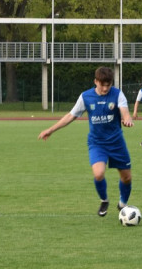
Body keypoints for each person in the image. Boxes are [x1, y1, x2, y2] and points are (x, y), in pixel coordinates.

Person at [38, 66, 134, 217]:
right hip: (97, 143)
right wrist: (51, 130)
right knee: (98, 173)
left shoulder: (117, 94)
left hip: (116, 143)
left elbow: (125, 112)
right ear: (95, 81)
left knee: (127, 177)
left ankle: (123, 203)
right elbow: (71, 116)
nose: (105, 88)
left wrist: (127, 119)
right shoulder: (86, 97)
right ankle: (104, 200)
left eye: (108, 85)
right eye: (102, 84)